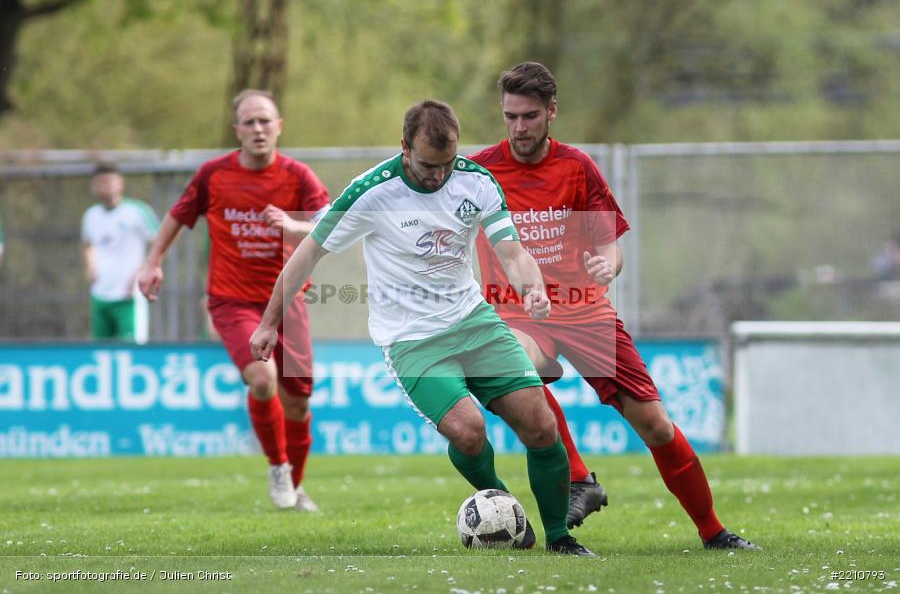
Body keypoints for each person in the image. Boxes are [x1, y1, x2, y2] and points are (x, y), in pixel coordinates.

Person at [250, 100, 593, 555]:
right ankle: (507, 510)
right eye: (429, 165)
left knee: (541, 426)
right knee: (468, 431)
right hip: (411, 341)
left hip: (474, 323)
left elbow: (512, 251)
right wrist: (269, 322)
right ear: (405, 148)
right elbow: (308, 253)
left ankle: (560, 538)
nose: (438, 176)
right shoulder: (371, 191)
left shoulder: (476, 181)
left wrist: (532, 289)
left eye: (447, 163)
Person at [471, 62, 760, 550]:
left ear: (552, 112)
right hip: (519, 313)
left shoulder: (578, 166)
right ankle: (580, 478)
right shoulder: (478, 172)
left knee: (656, 426)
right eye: (510, 116)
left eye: (530, 116)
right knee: (515, 368)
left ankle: (714, 532)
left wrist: (608, 266)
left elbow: (611, 246)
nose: (519, 127)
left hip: (586, 311)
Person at [137, 89, 330, 512]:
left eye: (266, 121)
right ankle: (277, 465)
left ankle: (295, 489)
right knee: (262, 379)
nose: (258, 129)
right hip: (233, 301)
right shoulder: (213, 175)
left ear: (279, 127)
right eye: (250, 122)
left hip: (288, 302)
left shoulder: (298, 176)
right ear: (237, 131)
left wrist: (292, 228)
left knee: (297, 402)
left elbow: (329, 223)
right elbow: (177, 216)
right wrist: (153, 261)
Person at [81, 162, 159, 343]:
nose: (105, 186)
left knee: (131, 350)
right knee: (100, 352)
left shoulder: (137, 211)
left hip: (129, 295)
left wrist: (142, 271)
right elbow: (87, 245)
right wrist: (89, 266)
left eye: (110, 181)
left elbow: (159, 244)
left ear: (120, 183)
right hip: (100, 294)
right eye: (101, 182)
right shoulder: (91, 215)